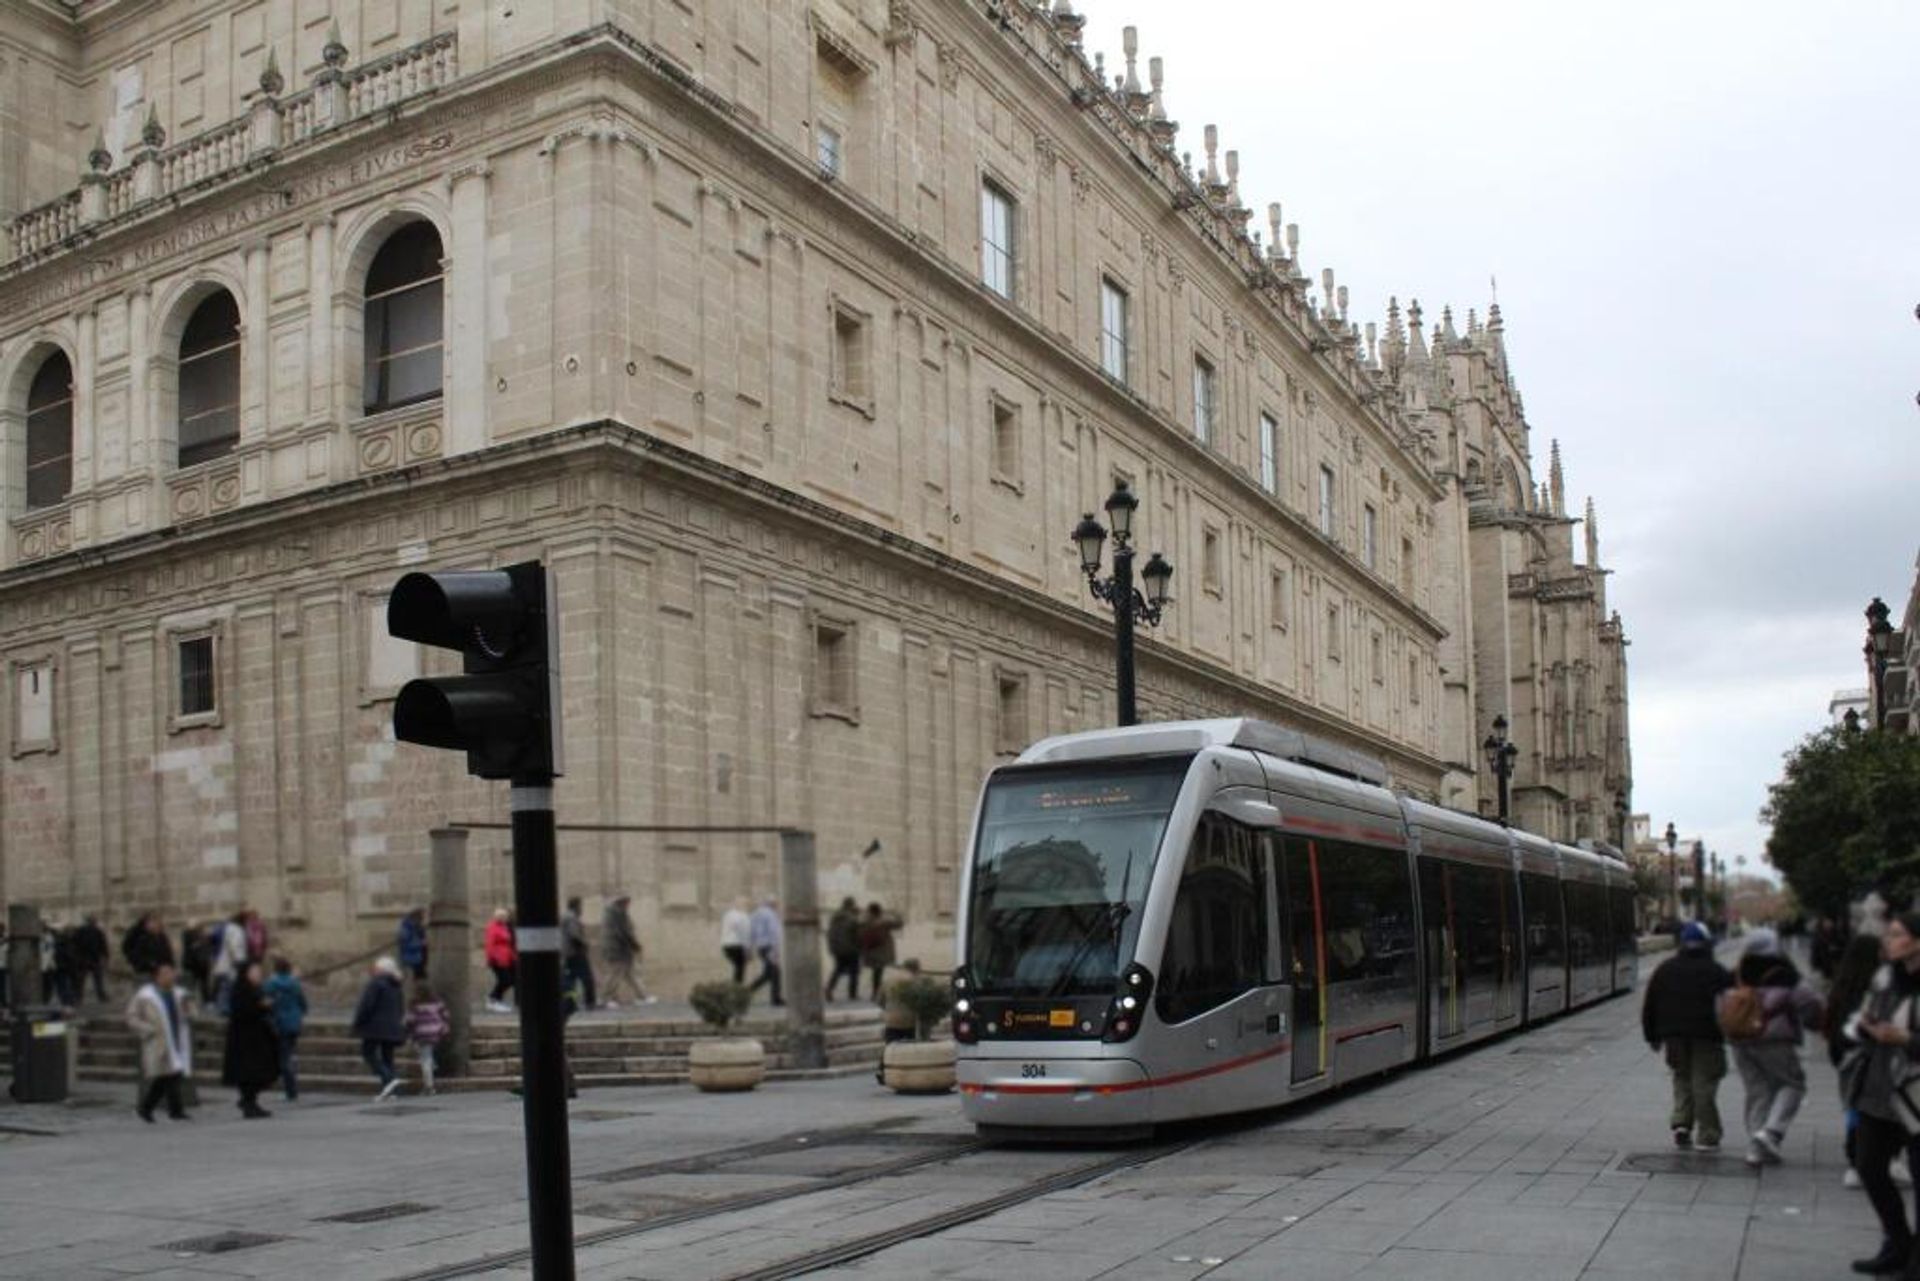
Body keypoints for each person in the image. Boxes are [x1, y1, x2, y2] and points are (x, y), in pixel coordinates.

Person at [1839, 912, 1920, 1277]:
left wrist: (1905, 1039)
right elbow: (1866, 1017)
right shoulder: (1885, 978)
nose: (1889, 940)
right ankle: (1898, 1242)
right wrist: (1863, 1027)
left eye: (1898, 935)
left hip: (1916, 1097)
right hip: (1878, 1091)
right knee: (1869, 1166)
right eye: (1889, 934)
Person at [1730, 927, 1825, 1168]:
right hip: (1775, 1040)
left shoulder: (1738, 973)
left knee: (1757, 1090)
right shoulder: (1784, 974)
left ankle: (1755, 1147)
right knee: (1793, 1084)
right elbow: (1808, 1003)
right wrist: (1819, 1024)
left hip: (1740, 1039)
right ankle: (1771, 1132)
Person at [1641, 920, 1734, 1150]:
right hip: (1707, 1036)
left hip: (1673, 1037)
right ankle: (1708, 1134)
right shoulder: (1716, 971)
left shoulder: (1665, 969)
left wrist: (1652, 1036)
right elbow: (1731, 1005)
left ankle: (1682, 1123)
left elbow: (1650, 1004)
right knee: (1703, 1082)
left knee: (1681, 1077)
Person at [127, 961, 192, 1122]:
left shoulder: (179, 994)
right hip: (158, 1041)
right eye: (165, 973)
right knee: (166, 1076)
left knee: (171, 1075)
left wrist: (188, 1011)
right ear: (157, 977)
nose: (170, 976)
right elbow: (131, 1017)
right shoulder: (145, 996)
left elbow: (191, 1014)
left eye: (171, 972)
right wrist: (147, 1029)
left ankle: (162, 1110)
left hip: (177, 1039)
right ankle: (154, 1109)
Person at [222, 960, 280, 1119]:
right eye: (255, 971)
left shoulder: (256, 989)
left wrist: (266, 1005)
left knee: (262, 1072)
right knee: (248, 1074)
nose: (258, 974)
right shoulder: (240, 990)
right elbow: (242, 1011)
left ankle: (251, 1101)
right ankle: (248, 1103)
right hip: (244, 1040)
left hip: (258, 1037)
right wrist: (261, 1006)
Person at [352, 957, 408, 1100]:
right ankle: (391, 1090)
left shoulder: (375, 984)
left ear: (382, 970)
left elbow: (366, 1005)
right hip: (392, 1027)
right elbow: (401, 1008)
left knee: (368, 1053)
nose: (374, 970)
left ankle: (388, 1079)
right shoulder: (396, 985)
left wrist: (358, 1022)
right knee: (387, 1058)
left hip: (375, 1027)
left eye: (376, 968)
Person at [262, 957, 308, 1103]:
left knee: (283, 1057)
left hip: (280, 1022)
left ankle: (291, 1089)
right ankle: (291, 1085)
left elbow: (265, 1003)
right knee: (288, 1053)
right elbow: (303, 1003)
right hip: (294, 1022)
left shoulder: (271, 984)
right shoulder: (295, 984)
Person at [600, 895, 654, 1007]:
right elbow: (623, 932)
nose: (628, 905)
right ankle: (606, 998)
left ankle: (642, 996)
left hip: (619, 949)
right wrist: (635, 944)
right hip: (617, 950)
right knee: (615, 974)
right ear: (622, 902)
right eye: (627, 902)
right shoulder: (618, 913)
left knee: (631, 974)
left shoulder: (612, 913)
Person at [405, 982, 450, 1095]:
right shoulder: (437, 1002)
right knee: (428, 1055)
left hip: (421, 1035)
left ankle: (429, 1087)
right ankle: (433, 1066)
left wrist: (408, 1030)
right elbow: (446, 1015)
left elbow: (410, 1020)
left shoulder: (414, 1004)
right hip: (435, 1033)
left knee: (425, 1060)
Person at [859, 902, 903, 1005]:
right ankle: (877, 995)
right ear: (879, 912)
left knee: (876, 974)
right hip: (882, 953)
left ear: (870, 911)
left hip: (871, 953)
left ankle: (876, 994)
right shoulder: (884, 922)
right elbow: (899, 924)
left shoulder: (865, 922)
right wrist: (896, 913)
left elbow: (859, 935)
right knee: (878, 974)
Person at [561, 897, 597, 1011]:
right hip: (576, 952)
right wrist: (585, 943)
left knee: (570, 978)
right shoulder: (572, 918)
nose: (582, 909)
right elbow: (574, 935)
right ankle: (590, 1002)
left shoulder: (566, 916)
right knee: (587, 978)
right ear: (576, 906)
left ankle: (570, 1002)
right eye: (581, 906)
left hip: (569, 953)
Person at [211, 910, 249, 1015]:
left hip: (223, 962)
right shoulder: (236, 930)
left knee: (224, 985)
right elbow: (235, 946)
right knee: (229, 985)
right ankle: (225, 1008)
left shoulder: (227, 928)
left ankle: (221, 1007)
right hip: (231, 963)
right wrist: (238, 960)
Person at [747, 897, 783, 1006]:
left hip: (760, 947)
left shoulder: (755, 914)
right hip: (769, 946)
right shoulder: (771, 915)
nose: (778, 907)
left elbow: (751, 932)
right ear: (773, 904)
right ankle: (775, 999)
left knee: (768, 974)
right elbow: (774, 933)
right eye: (776, 904)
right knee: (776, 973)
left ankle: (747, 992)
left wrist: (750, 947)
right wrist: (775, 950)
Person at [826, 897, 862, 1001]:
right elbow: (857, 935)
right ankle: (852, 994)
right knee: (854, 972)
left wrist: (832, 948)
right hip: (851, 948)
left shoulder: (834, 917)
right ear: (851, 905)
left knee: (838, 969)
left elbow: (830, 933)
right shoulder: (852, 918)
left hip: (837, 949)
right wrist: (859, 947)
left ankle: (829, 988)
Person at [122, 911, 175, 977]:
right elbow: (137, 956)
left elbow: (168, 953)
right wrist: (150, 964)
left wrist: (170, 966)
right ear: (147, 925)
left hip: (162, 973)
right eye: (154, 923)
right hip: (147, 972)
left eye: (158, 923)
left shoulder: (162, 938)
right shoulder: (143, 939)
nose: (157, 926)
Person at [484, 908, 517, 1013]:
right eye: (503, 916)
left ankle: (496, 1000)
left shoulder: (504, 927)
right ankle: (493, 999)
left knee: (510, 980)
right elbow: (490, 944)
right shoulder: (493, 927)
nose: (505, 918)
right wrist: (490, 958)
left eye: (505, 916)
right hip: (497, 958)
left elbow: (509, 943)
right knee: (505, 980)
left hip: (506, 957)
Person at [72, 915, 109, 1003]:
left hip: (85, 958)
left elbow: (74, 944)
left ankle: (79, 997)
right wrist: (105, 956)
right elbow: (103, 945)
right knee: (96, 979)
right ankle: (100, 996)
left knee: (82, 980)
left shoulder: (81, 931)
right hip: (92, 958)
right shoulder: (96, 931)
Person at [720, 899, 752, 984]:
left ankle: (735, 986)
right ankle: (737, 988)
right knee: (740, 968)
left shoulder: (728, 915)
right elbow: (745, 934)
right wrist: (748, 950)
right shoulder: (744, 916)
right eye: (746, 905)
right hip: (737, 945)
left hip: (726, 945)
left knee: (737, 967)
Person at [397, 907, 429, 981]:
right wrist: (421, 943)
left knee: (421, 980)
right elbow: (405, 944)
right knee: (413, 982)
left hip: (420, 959)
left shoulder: (419, 927)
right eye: (423, 917)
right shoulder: (407, 927)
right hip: (412, 960)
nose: (424, 919)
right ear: (417, 917)